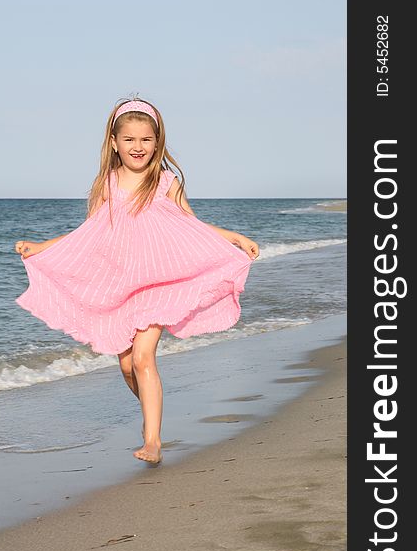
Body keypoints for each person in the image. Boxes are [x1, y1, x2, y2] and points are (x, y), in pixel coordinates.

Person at [14, 97, 259, 465]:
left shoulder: (165, 181)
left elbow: (190, 226)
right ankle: (152, 411)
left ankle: (153, 441)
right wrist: (42, 248)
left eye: (146, 139)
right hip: (119, 286)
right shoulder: (106, 184)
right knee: (128, 366)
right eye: (129, 139)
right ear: (114, 142)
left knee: (144, 358)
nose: (138, 147)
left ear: (156, 143)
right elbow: (87, 234)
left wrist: (233, 237)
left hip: (158, 286)